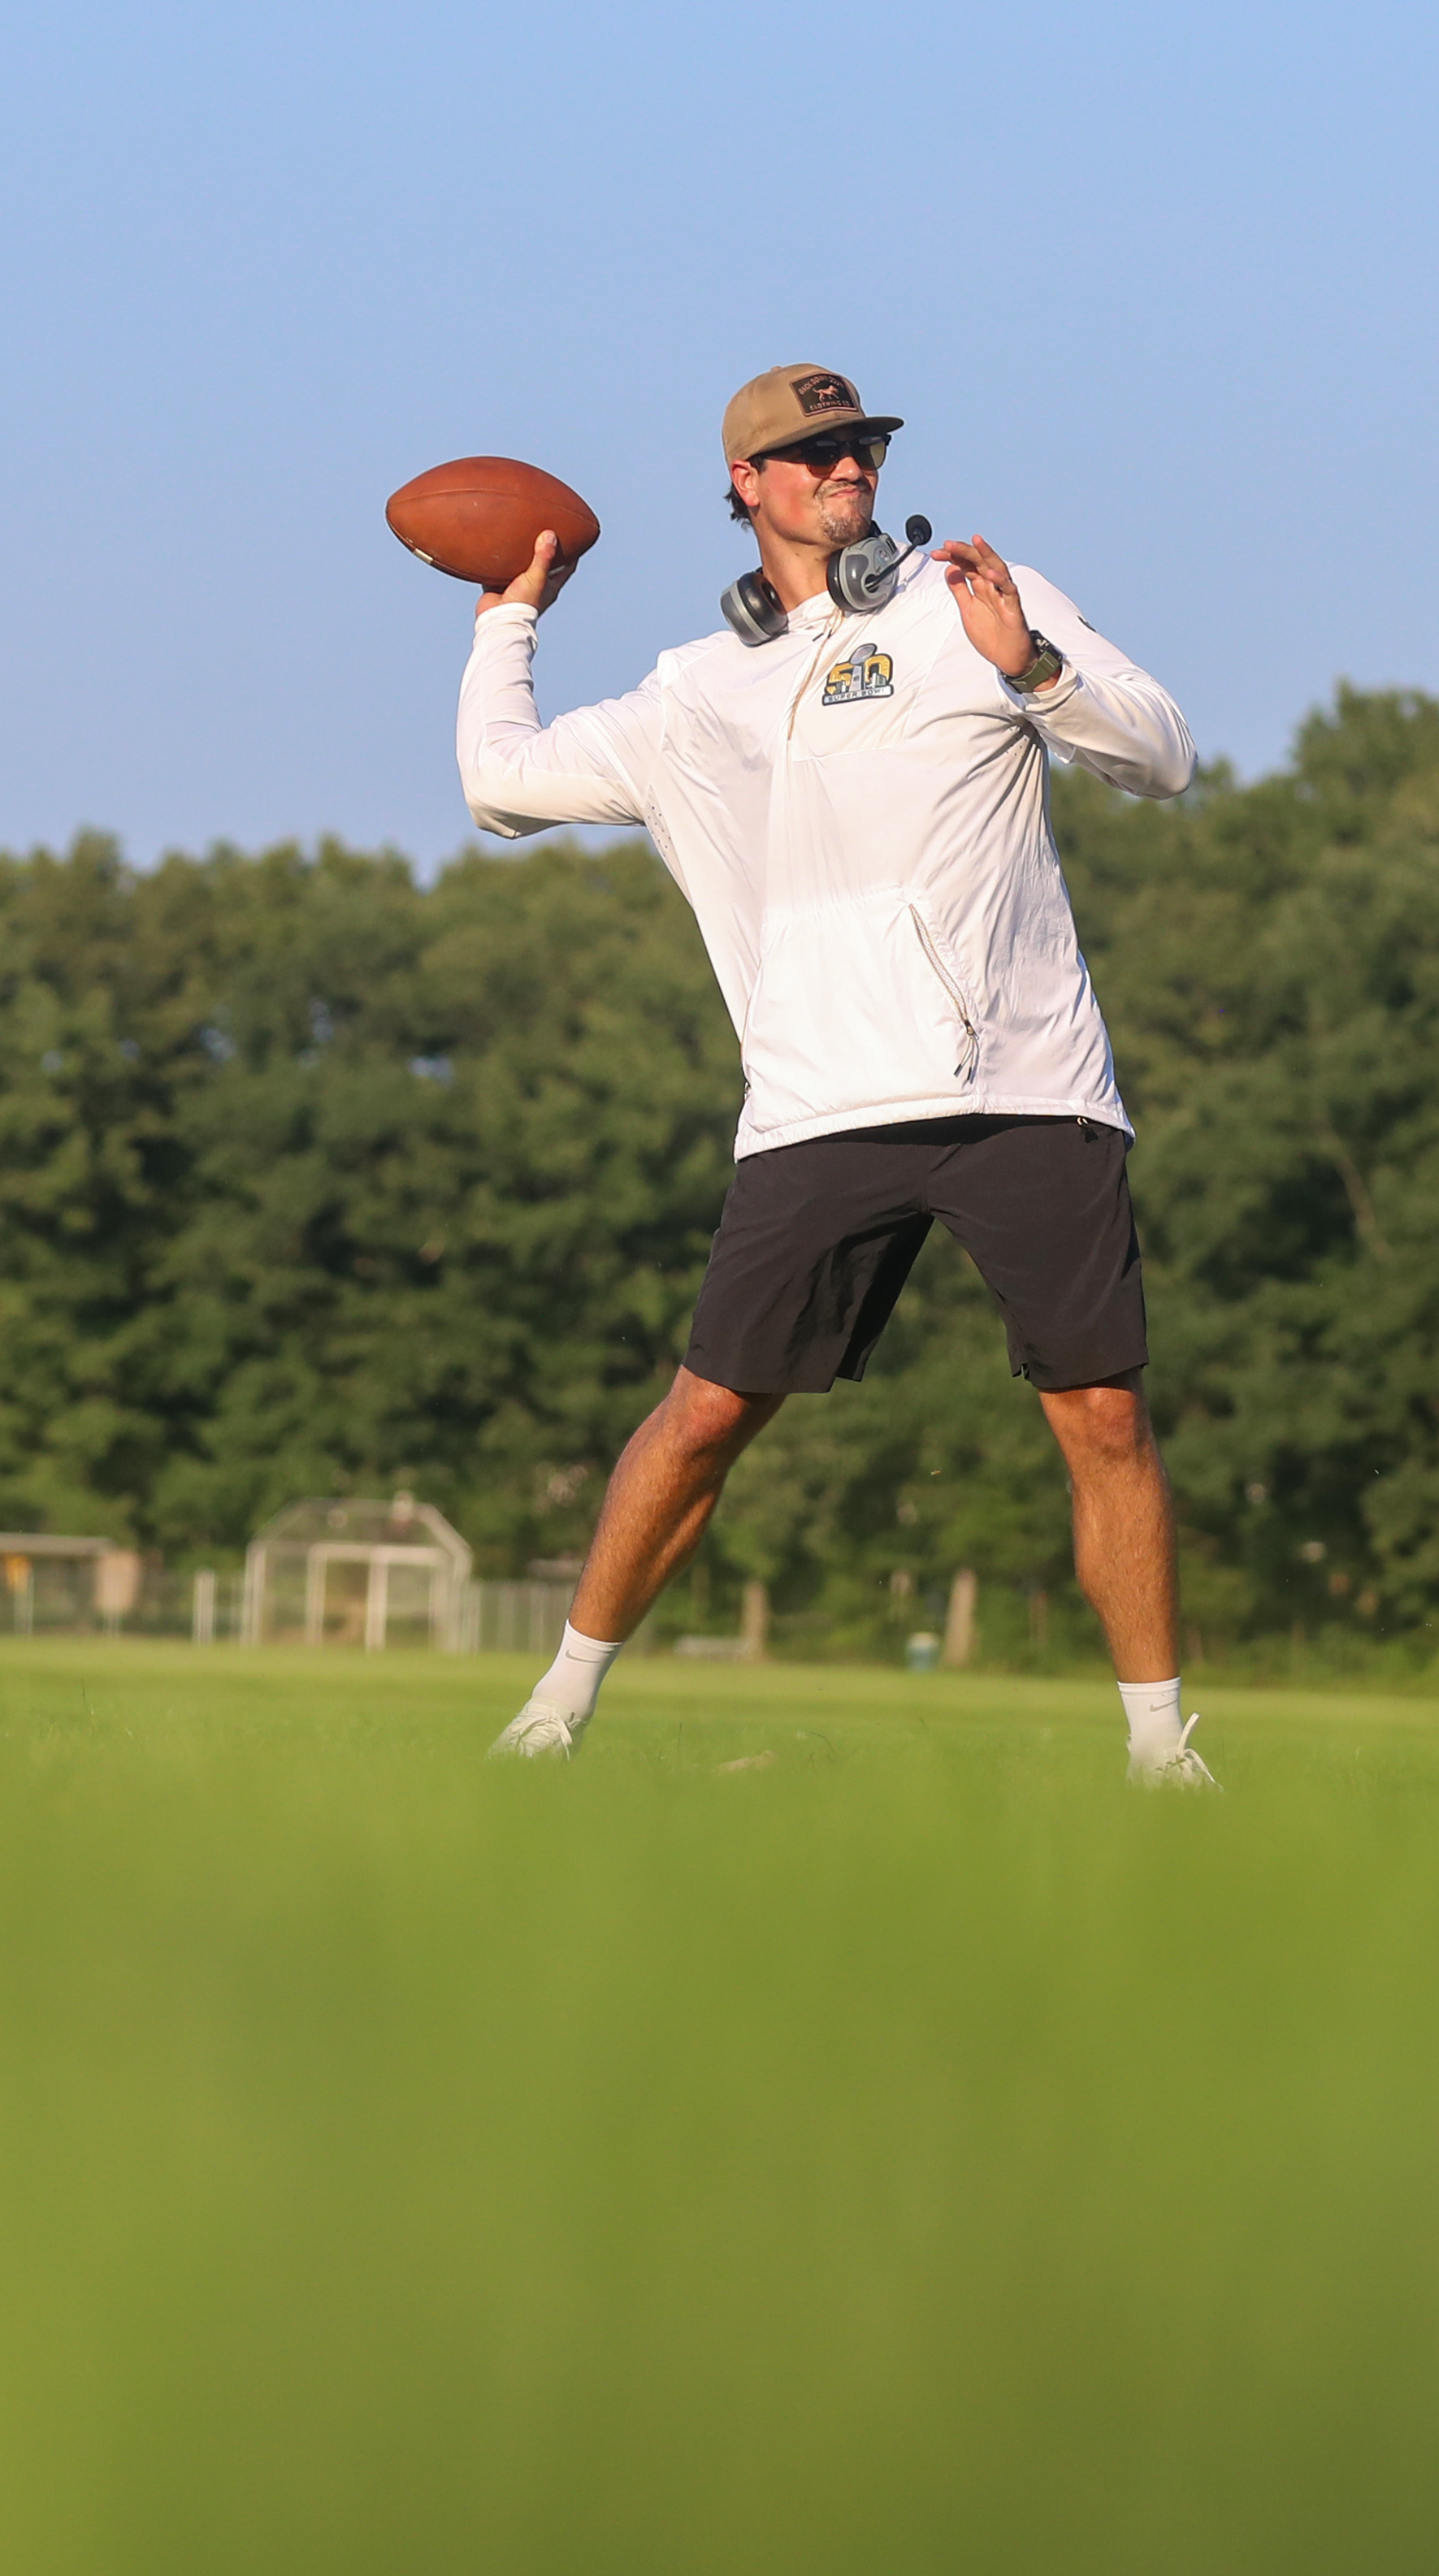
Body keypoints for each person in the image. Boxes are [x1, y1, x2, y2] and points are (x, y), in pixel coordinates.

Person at [455, 364, 1216, 1787]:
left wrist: (1033, 671)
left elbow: (1164, 757)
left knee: (1103, 1417)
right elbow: (498, 784)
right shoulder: (691, 694)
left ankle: (1160, 1753)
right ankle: (550, 1714)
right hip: (819, 1105)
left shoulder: (972, 597)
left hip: (1027, 1087)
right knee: (704, 1416)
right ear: (745, 486)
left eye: (858, 442)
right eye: (809, 452)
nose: (844, 465)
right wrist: (507, 618)